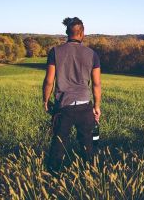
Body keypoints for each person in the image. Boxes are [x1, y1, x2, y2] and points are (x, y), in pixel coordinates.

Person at [42, 17, 101, 172]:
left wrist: (45, 101)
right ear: (82, 33)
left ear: (67, 33)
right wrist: (97, 106)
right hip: (84, 106)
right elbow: (96, 84)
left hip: (63, 107)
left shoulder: (55, 52)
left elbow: (49, 81)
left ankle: (52, 177)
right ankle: (90, 175)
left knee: (58, 144)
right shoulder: (92, 54)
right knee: (88, 144)